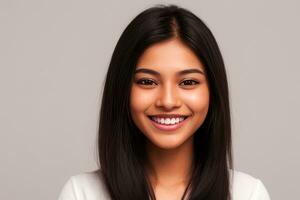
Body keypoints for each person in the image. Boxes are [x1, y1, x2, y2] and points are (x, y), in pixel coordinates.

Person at [58, 4, 271, 200]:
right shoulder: (81, 193)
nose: (168, 101)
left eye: (188, 82)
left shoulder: (248, 194)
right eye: (147, 81)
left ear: (213, 91)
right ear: (122, 90)